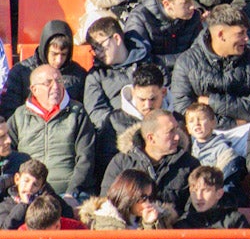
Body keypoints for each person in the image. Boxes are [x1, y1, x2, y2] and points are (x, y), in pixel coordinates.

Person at [170, 4, 250, 133]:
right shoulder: (187, 63)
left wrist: (212, 102)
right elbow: (183, 110)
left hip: (247, 131)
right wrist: (231, 124)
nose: (247, 38)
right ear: (221, 34)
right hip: (202, 134)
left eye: (246, 32)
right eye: (240, 33)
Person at [9, 65, 93, 197]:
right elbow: (8, 155)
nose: (56, 87)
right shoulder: (19, 116)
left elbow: (86, 157)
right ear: (34, 89)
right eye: (48, 83)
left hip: (67, 193)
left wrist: (72, 192)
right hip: (28, 192)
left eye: (59, 81)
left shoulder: (77, 112)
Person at [101, 110, 199, 214]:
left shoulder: (190, 165)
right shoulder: (121, 163)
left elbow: (193, 211)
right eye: (170, 132)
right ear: (151, 138)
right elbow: (108, 205)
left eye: (176, 130)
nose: (177, 137)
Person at [84, 16, 153, 156]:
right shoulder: (96, 76)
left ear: (116, 38)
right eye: (94, 49)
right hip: (117, 140)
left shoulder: (150, 63)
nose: (98, 53)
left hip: (153, 130)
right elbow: (96, 112)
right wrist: (125, 126)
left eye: (100, 46)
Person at [1, 20, 86, 118]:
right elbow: (9, 111)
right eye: (54, 54)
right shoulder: (21, 72)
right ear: (45, 50)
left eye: (64, 54)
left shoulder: (79, 75)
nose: (59, 60)